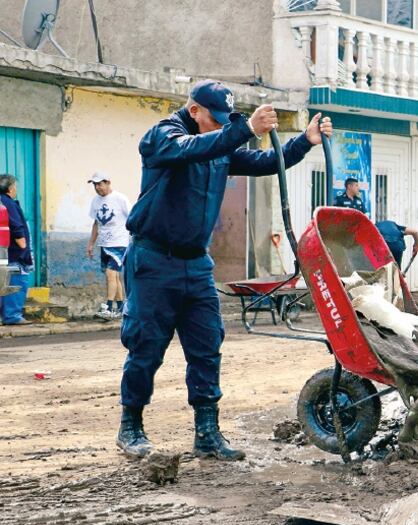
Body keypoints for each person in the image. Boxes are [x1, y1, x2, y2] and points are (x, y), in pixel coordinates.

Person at [117, 79, 333, 461]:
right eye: (214, 119)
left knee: (206, 347)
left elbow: (266, 162)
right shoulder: (163, 137)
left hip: (196, 262)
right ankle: (130, 425)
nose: (220, 126)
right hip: (154, 260)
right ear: (194, 110)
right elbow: (193, 148)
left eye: (225, 122)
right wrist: (244, 129)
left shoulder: (218, 142)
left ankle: (207, 433)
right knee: (146, 346)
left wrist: (304, 140)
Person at [85, 171, 131, 319]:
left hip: (119, 243)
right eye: (95, 185)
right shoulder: (95, 201)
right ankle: (121, 307)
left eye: (100, 184)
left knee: (111, 274)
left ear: (108, 182)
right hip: (104, 244)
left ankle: (108, 307)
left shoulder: (120, 199)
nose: (97, 188)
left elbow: (132, 218)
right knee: (114, 277)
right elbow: (96, 223)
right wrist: (91, 243)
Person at [0, 174, 32, 326]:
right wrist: (22, 243)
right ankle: (12, 316)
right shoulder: (8, 203)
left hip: (4, 251)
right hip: (13, 253)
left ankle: (5, 315)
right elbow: (14, 224)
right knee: (17, 281)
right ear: (11, 188)